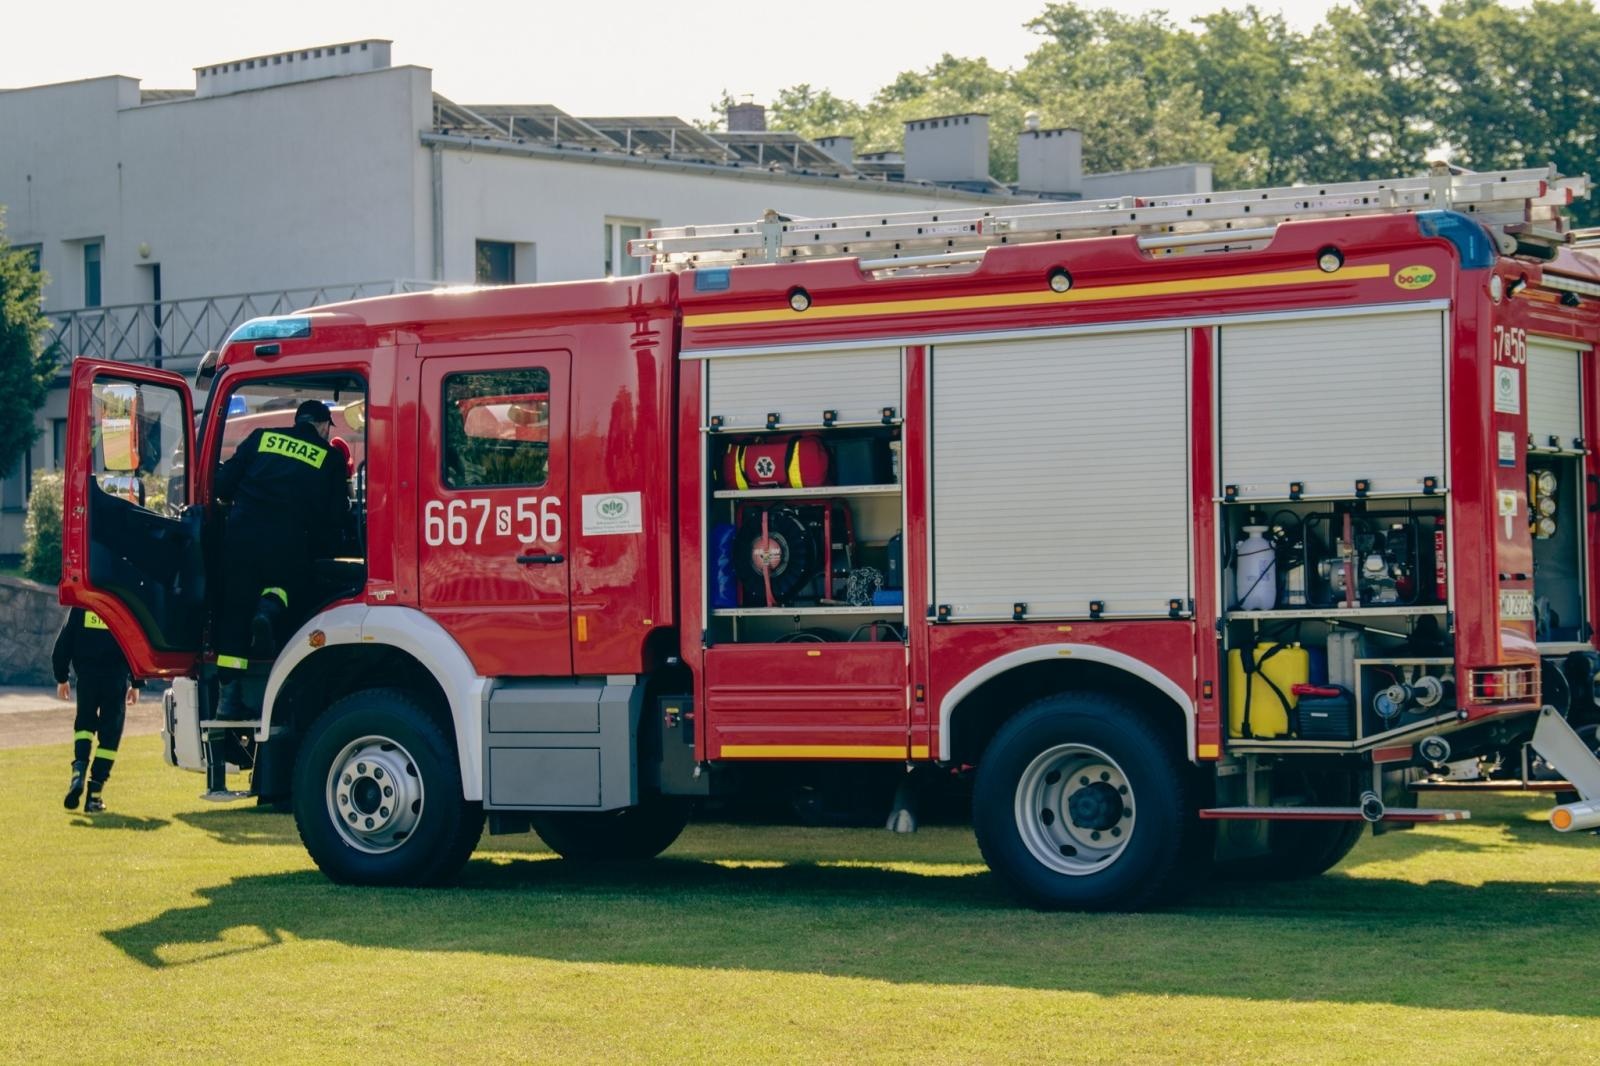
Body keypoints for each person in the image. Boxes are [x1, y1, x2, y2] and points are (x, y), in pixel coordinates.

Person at [212, 399, 350, 719]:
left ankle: (226, 702)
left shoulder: (261, 437)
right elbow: (334, 520)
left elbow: (222, 485)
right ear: (321, 425)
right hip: (288, 547)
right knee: (290, 591)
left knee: (234, 615)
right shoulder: (329, 458)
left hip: (240, 541)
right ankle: (271, 610)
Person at [53, 608, 140, 813]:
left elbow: (63, 642)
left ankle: (79, 770)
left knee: (84, 724)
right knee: (110, 737)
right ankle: (94, 795)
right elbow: (134, 643)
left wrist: (62, 678)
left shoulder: (82, 608)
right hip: (115, 679)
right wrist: (136, 683)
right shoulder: (121, 605)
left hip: (87, 678)